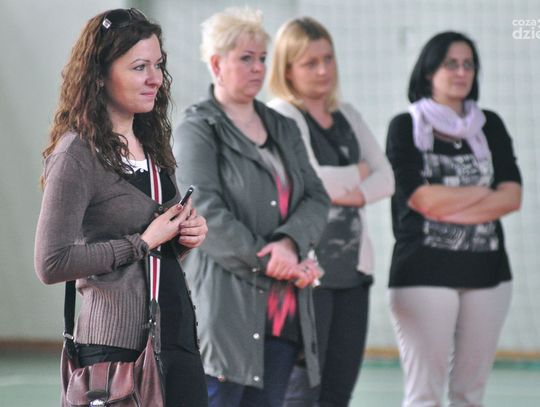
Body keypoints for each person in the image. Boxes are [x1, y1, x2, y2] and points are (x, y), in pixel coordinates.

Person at [33, 8, 209, 406]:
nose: (155, 79)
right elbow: (51, 263)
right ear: (99, 74)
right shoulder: (76, 154)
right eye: (139, 67)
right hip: (116, 350)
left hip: (175, 339)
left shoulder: (154, 148)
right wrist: (142, 242)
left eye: (158, 65)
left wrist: (184, 237)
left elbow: (156, 249)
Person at [173, 7, 331, 407]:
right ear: (216, 64)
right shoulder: (197, 128)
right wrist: (271, 260)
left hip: (282, 312)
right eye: (245, 58)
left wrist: (289, 244)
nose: (258, 67)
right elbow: (204, 211)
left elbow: (317, 196)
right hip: (224, 311)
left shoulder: (283, 126)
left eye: (262, 58)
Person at [386, 31, 522, 407]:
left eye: (468, 65)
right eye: (451, 64)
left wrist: (448, 201)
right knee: (424, 396)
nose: (461, 72)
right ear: (429, 71)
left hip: (489, 274)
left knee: (469, 395)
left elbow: (512, 197)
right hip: (423, 273)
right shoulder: (405, 126)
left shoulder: (490, 125)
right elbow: (421, 199)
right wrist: (484, 192)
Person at [267, 17, 395, 407]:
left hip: (352, 276)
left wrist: (353, 194)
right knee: (302, 392)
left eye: (328, 59)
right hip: (307, 277)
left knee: (339, 391)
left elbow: (388, 178)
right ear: (288, 69)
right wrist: (360, 173)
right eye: (310, 63)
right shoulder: (281, 115)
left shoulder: (348, 115)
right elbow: (309, 181)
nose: (323, 70)